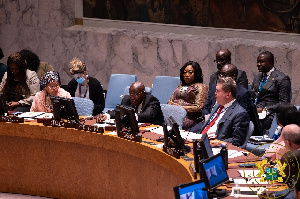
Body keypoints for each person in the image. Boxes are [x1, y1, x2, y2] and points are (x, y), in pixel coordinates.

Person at [198, 77, 250, 147]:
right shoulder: (218, 106)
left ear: (228, 94)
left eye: (217, 91)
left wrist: (218, 143)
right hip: (202, 141)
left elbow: (237, 140)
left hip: (216, 148)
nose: (215, 93)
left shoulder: (240, 113)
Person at [251, 51, 291, 132]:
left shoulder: (282, 79)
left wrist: (264, 109)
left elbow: (284, 103)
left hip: (269, 115)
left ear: (270, 62)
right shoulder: (257, 77)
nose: (258, 64)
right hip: (253, 111)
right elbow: (252, 95)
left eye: (261, 62)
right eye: (257, 62)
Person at [97, 81, 164, 125]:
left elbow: (147, 116)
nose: (132, 97)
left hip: (155, 133)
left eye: (135, 95)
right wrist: (107, 116)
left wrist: (130, 116)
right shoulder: (127, 99)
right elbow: (119, 111)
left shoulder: (152, 100)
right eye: (130, 94)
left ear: (143, 94)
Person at [168, 61, 208, 130]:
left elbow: (199, 108)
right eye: (184, 72)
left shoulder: (201, 87)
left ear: (196, 73)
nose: (187, 75)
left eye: (190, 72)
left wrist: (180, 108)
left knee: (175, 125)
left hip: (189, 118)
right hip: (174, 115)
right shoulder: (180, 85)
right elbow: (170, 101)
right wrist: (170, 104)